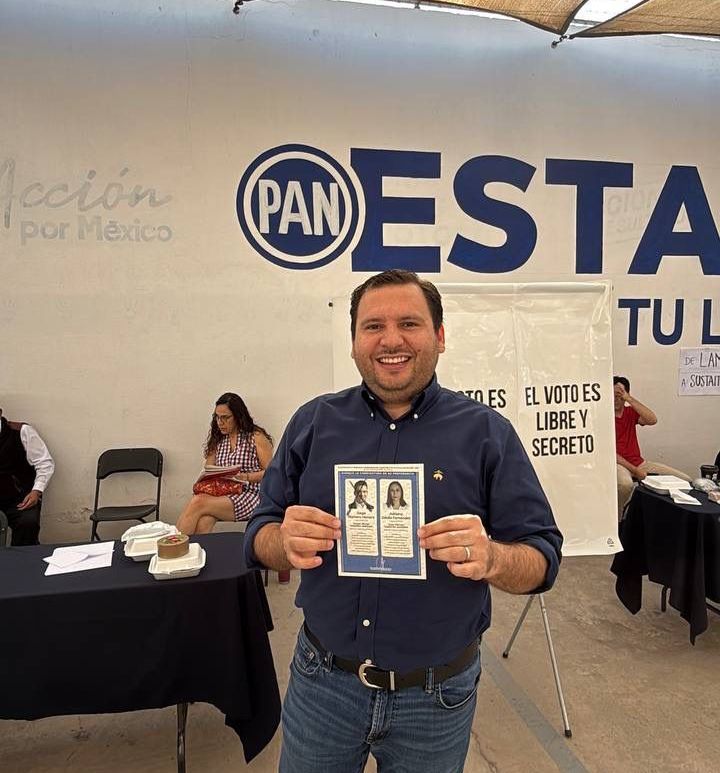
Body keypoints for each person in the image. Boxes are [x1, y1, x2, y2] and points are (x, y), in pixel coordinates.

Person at [244, 270, 562, 773]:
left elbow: (542, 559)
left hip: (436, 699)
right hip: (323, 684)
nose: (390, 340)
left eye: (409, 323)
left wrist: (493, 558)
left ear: (440, 336)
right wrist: (282, 543)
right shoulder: (313, 423)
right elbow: (257, 532)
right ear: (354, 342)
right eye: (373, 326)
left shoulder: (487, 434)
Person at [176, 392, 273, 535]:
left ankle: (172, 545)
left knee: (198, 502)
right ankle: (195, 548)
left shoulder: (255, 437)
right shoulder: (218, 439)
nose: (220, 422)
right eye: (217, 417)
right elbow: (209, 470)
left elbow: (272, 473)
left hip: (251, 495)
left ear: (238, 416)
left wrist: (246, 477)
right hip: (224, 494)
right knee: (204, 520)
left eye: (225, 417)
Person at [614, 376, 690, 517]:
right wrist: (635, 470)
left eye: (619, 395)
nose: (616, 399)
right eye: (613, 395)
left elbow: (652, 419)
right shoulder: (605, 417)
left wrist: (629, 399)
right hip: (619, 464)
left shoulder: (630, 412)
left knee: (685, 480)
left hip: (639, 462)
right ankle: (618, 519)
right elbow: (611, 453)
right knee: (625, 485)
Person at [0, 407, 54, 545]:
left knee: (28, 523)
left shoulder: (21, 431)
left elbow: (44, 463)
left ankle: (22, 557)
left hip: (20, 498)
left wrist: (36, 491)